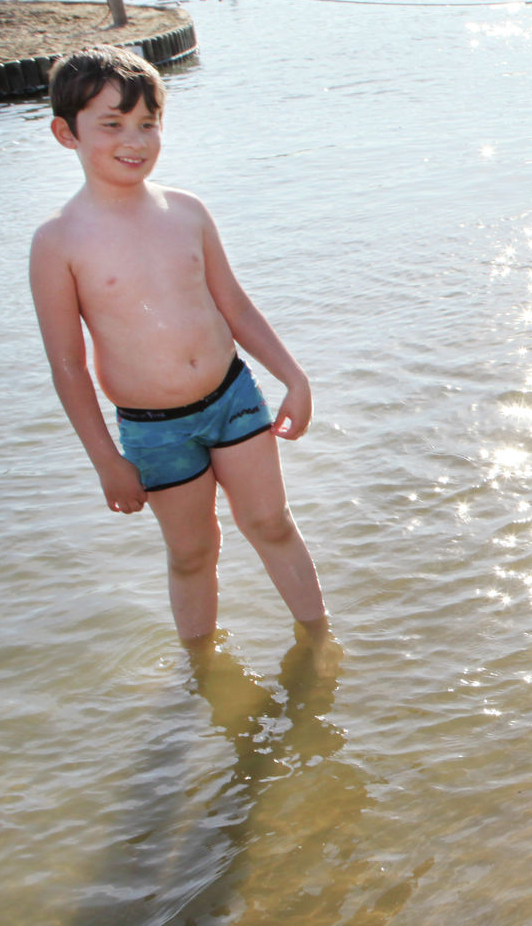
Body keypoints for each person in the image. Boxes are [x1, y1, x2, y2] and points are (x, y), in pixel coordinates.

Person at [30, 47, 326, 645]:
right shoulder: (58, 242)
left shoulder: (186, 211)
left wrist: (294, 377)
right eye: (111, 124)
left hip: (232, 396)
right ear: (66, 133)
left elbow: (235, 305)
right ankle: (202, 671)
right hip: (153, 426)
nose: (133, 139)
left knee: (271, 522)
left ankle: (321, 644)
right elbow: (68, 367)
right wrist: (106, 460)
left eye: (147, 123)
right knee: (193, 553)